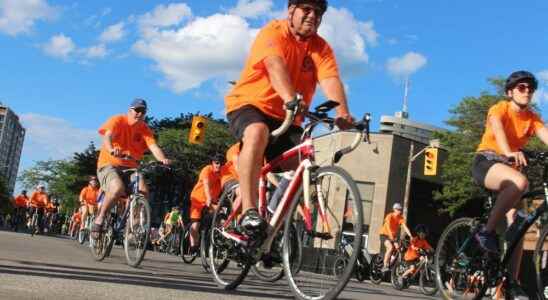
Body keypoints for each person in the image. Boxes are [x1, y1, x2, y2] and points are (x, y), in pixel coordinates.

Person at [224, 0, 354, 238]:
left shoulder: (320, 48)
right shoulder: (273, 32)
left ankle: (270, 231)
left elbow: (330, 79)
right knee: (257, 131)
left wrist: (342, 113)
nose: (312, 15)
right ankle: (249, 212)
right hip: (250, 104)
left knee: (303, 169)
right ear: (291, 10)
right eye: (307, 9)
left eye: (318, 12)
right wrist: (290, 97)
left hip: (288, 117)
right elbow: (275, 65)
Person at [471, 70, 546, 299]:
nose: (527, 92)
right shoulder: (500, 108)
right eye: (521, 88)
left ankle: (510, 284)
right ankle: (486, 232)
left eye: (530, 89)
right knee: (521, 182)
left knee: (519, 228)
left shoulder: (532, 118)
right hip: (487, 162)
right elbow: (498, 129)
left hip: (511, 171)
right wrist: (507, 152)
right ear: (510, 92)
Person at [92, 99, 171, 238]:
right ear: (130, 110)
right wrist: (111, 149)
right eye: (137, 110)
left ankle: (133, 224)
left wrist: (162, 159)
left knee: (143, 191)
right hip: (109, 164)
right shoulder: (118, 120)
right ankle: (100, 218)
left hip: (131, 168)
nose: (139, 114)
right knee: (117, 188)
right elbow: (107, 136)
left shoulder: (144, 129)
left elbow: (153, 146)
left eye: (143, 111)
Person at [189, 155, 223, 255]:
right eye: (217, 163)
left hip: (212, 201)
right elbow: (206, 184)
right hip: (198, 199)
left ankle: (213, 238)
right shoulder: (207, 169)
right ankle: (193, 245)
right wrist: (208, 197)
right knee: (195, 226)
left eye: (221, 163)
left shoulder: (222, 173)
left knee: (219, 218)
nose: (219, 165)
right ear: (212, 163)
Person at [379, 203, 412, 272]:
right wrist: (391, 237)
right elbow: (388, 226)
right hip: (384, 235)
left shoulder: (400, 218)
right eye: (398, 209)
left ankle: (391, 261)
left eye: (400, 209)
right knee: (390, 247)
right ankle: (385, 266)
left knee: (398, 248)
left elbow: (405, 227)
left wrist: (410, 235)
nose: (400, 211)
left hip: (393, 237)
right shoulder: (389, 216)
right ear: (394, 209)